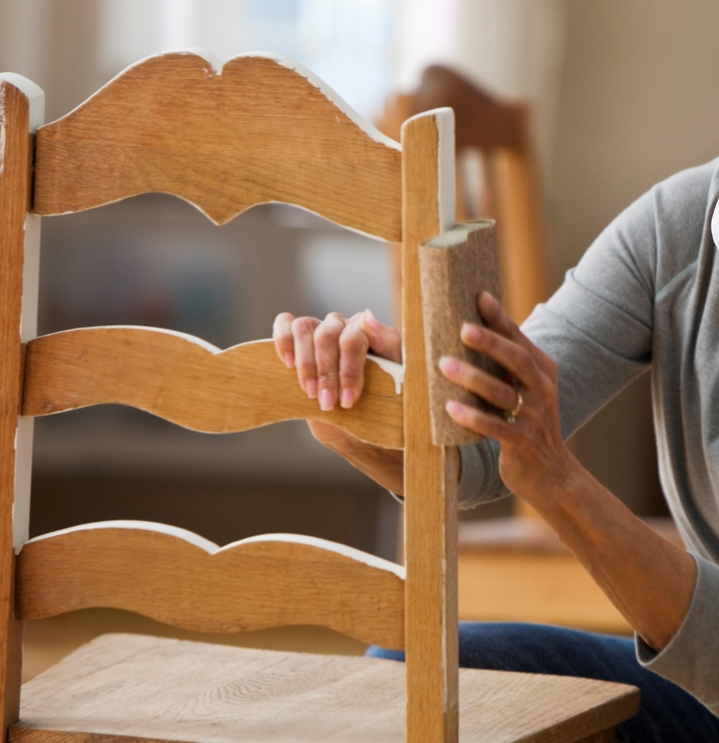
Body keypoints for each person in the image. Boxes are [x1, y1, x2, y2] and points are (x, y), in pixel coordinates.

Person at [272, 159, 719, 742]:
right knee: (411, 679)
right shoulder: (677, 225)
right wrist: (376, 406)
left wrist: (560, 483)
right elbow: (484, 447)